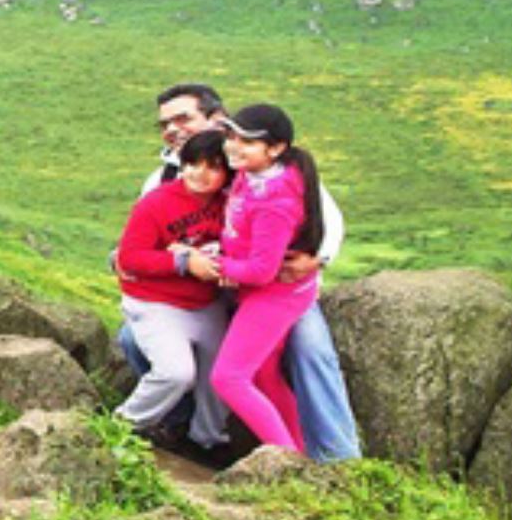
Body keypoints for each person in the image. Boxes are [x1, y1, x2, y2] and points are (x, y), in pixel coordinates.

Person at [122, 83, 361, 462]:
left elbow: (326, 220)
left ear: (216, 118)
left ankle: (336, 457)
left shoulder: (266, 169)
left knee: (310, 350)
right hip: (209, 291)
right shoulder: (164, 179)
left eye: (183, 118)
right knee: (134, 340)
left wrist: (318, 259)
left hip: (271, 285)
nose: (172, 129)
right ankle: (186, 427)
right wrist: (184, 262)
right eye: (164, 124)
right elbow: (136, 248)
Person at [209, 104, 328, 453]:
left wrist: (217, 265)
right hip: (273, 291)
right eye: (232, 136)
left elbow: (262, 271)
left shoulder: (275, 201)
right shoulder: (254, 172)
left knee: (228, 378)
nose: (234, 146)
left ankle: (287, 462)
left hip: (273, 295)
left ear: (275, 148)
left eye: (247, 141)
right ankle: (300, 453)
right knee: (263, 375)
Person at [112, 130, 233, 458]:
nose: (199, 173)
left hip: (205, 303)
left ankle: (206, 440)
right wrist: (182, 261)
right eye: (192, 163)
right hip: (155, 301)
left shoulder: (230, 204)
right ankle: (122, 426)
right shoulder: (157, 202)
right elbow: (130, 257)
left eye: (213, 167)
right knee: (175, 372)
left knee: (222, 375)